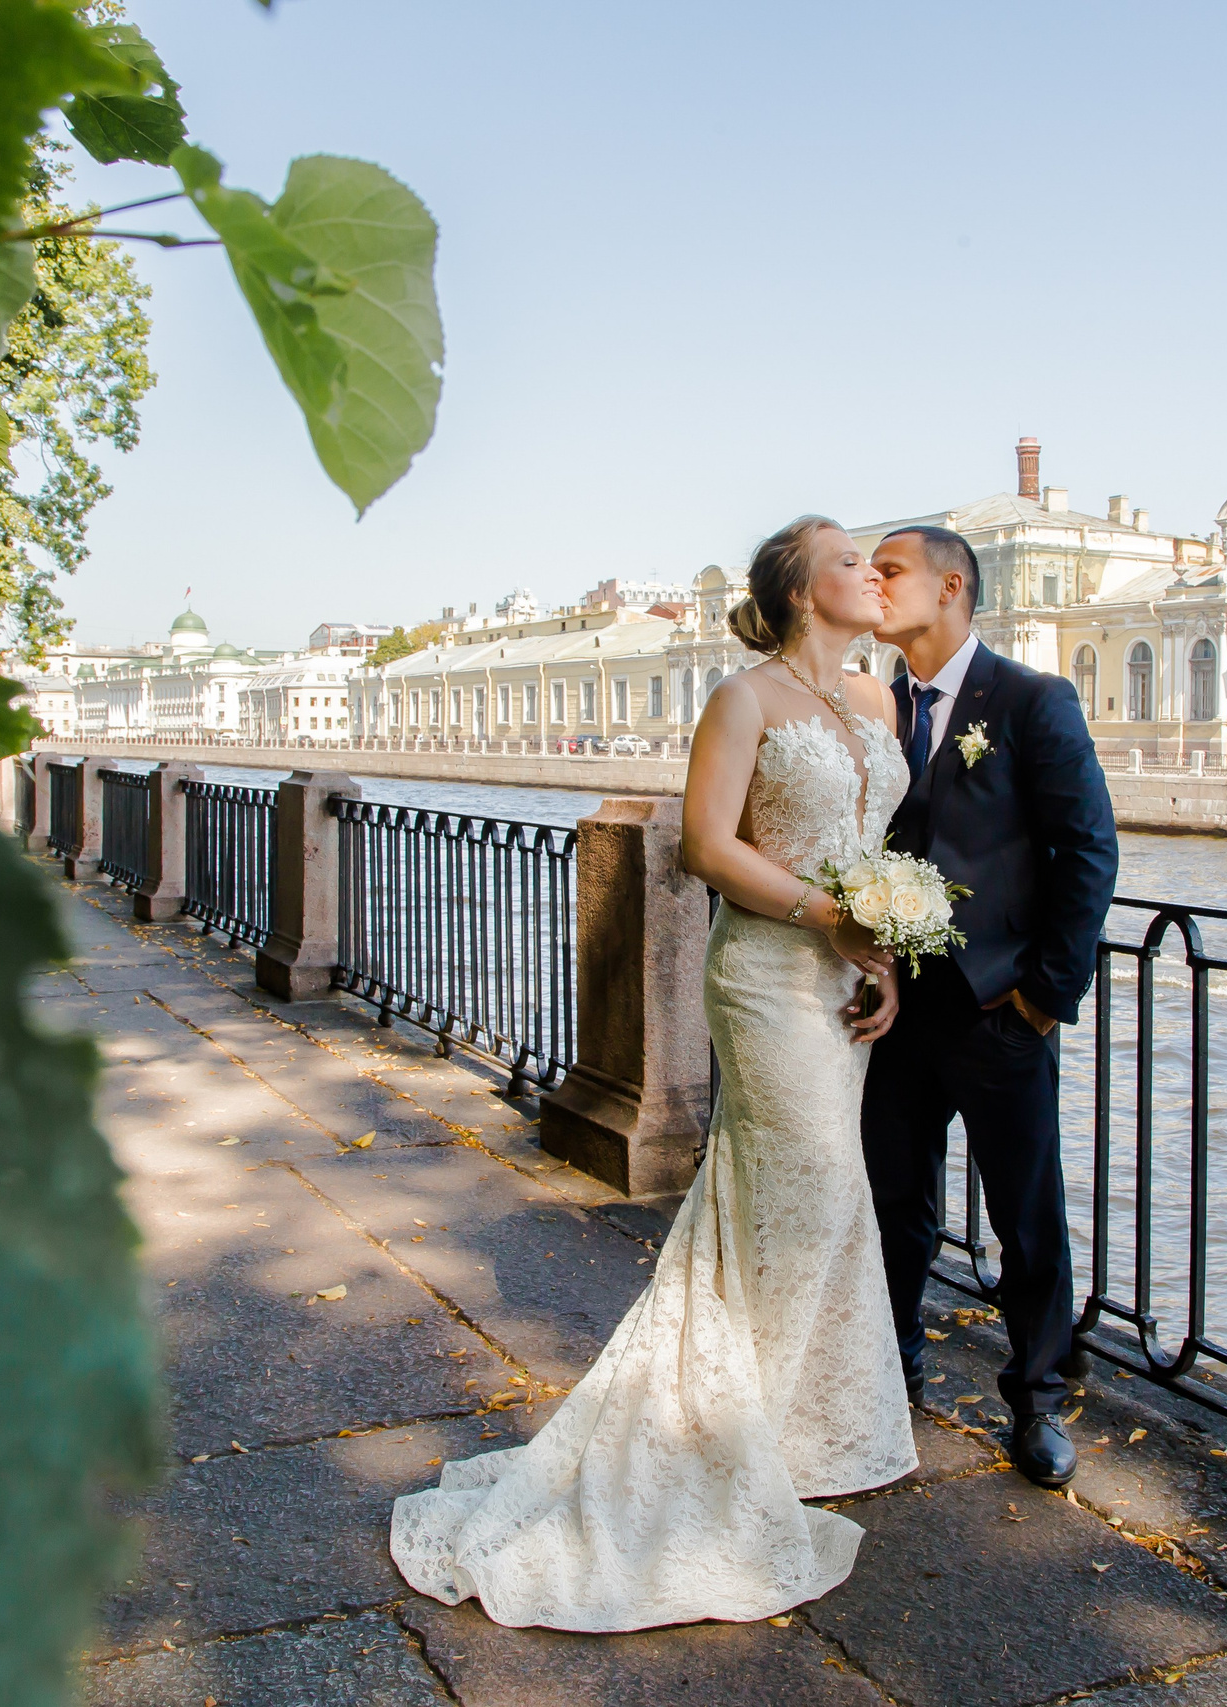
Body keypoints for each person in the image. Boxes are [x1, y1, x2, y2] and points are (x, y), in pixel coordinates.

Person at [391, 516, 917, 1629]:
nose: (871, 572)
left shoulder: (874, 701)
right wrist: (825, 913)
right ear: (793, 590)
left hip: (840, 978)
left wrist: (885, 952)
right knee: (802, 1181)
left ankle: (798, 1420)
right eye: (845, 560)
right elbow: (707, 843)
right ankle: (724, 1429)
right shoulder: (747, 699)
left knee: (812, 1196)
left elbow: (875, 848)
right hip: (770, 973)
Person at [861, 525, 1118, 1490]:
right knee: (895, 1205)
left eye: (890, 571)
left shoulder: (1030, 699)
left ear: (952, 585)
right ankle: (896, 1368)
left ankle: (1039, 1398)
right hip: (890, 1011)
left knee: (1026, 1216)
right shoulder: (874, 706)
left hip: (1000, 1012)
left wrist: (1046, 998)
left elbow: (1088, 850)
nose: (874, 587)